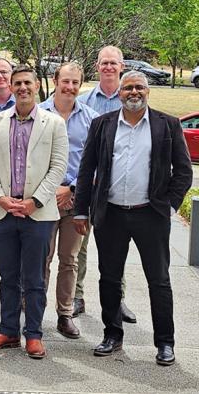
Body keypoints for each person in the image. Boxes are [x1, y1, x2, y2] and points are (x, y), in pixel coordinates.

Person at [74, 70, 191, 366]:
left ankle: (165, 342)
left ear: (148, 91)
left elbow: (184, 171)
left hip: (150, 215)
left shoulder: (168, 125)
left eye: (139, 87)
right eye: (128, 88)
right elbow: (87, 170)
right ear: (120, 93)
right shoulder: (102, 125)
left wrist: (169, 206)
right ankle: (112, 335)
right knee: (110, 279)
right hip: (110, 214)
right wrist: (81, 209)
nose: (133, 92)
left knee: (159, 281)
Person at [0, 65, 68, 359]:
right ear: (11, 87)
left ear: (36, 86)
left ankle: (34, 334)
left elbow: (58, 168)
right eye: (17, 83)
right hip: (2, 212)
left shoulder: (54, 124)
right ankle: (8, 331)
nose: (22, 88)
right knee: (7, 277)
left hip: (38, 214)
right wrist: (0, 198)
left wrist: (35, 201)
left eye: (27, 83)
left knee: (34, 279)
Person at [74, 45, 135, 322]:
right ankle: (76, 297)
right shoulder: (86, 102)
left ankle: (118, 300)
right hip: (90, 186)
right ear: (96, 67)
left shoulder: (131, 99)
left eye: (113, 62)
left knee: (115, 247)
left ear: (121, 66)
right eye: (104, 63)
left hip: (118, 189)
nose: (109, 67)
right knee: (80, 246)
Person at [39, 63, 98, 339]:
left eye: (76, 82)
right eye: (66, 81)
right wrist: (50, 189)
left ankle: (64, 315)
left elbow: (96, 163)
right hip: (44, 200)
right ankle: (35, 314)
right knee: (42, 258)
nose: (70, 87)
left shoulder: (92, 119)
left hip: (76, 201)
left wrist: (71, 188)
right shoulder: (38, 114)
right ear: (55, 80)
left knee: (69, 260)